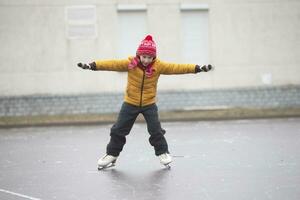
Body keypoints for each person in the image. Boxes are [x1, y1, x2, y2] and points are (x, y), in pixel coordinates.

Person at [77, 35, 213, 168]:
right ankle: (111, 155)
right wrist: (92, 65)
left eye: (149, 57)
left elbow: (176, 68)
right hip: (130, 102)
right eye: (144, 57)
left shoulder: (159, 66)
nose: (146, 60)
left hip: (149, 104)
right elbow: (112, 64)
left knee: (155, 130)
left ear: (154, 57)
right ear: (138, 54)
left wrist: (197, 68)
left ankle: (163, 152)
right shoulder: (130, 64)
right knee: (118, 130)